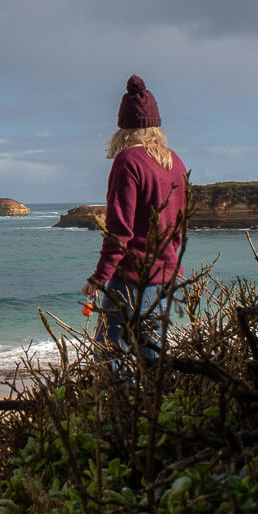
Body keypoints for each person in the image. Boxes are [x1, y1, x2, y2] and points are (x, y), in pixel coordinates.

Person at [81, 75, 188, 357]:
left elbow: (119, 230)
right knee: (152, 352)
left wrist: (98, 278)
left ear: (123, 127)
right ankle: (154, 400)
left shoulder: (127, 161)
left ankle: (121, 401)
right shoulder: (175, 161)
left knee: (108, 352)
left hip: (131, 276)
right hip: (165, 273)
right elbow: (180, 222)